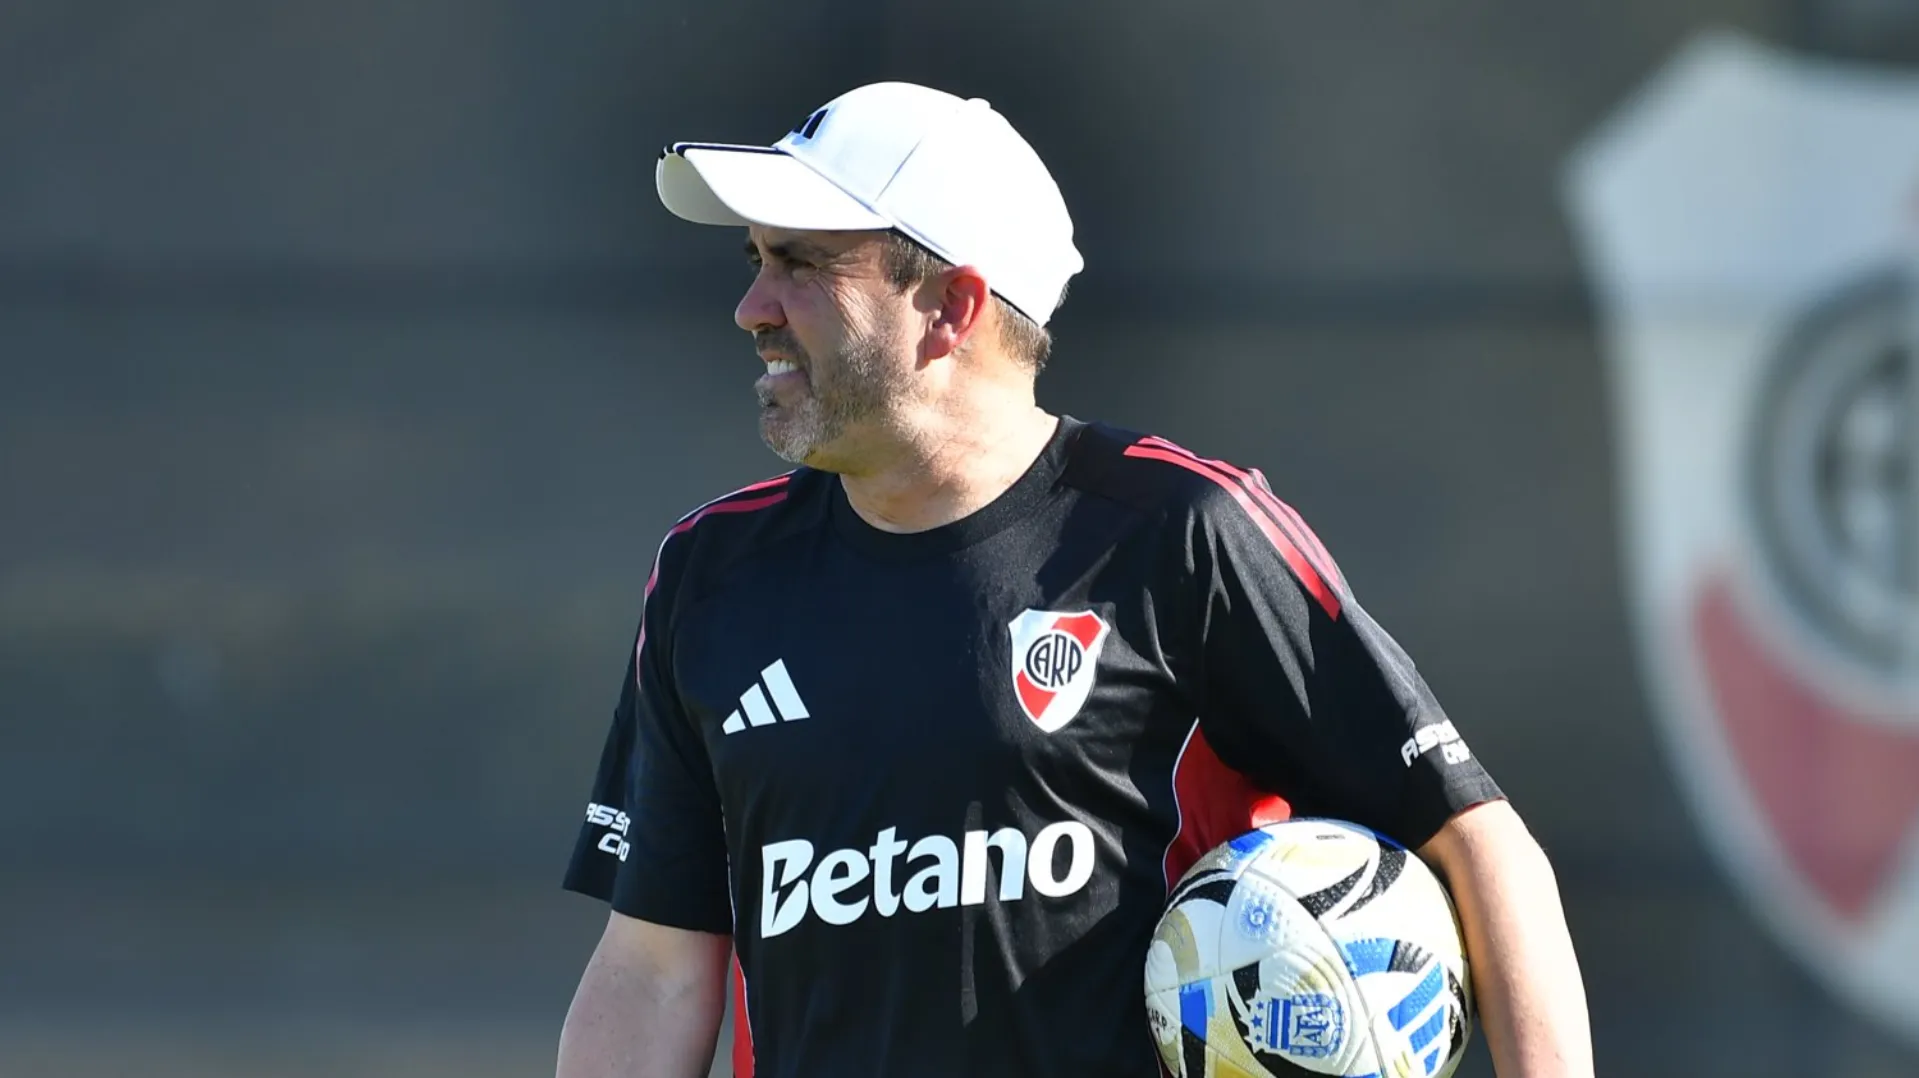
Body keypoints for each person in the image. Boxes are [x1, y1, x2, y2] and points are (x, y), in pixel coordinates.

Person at [555, 81, 1594, 1078]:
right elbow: (652, 967)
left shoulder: (1178, 531)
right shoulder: (710, 575)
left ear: (951, 306)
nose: (750, 306)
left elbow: (1478, 844)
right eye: (753, 259)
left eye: (802, 264)